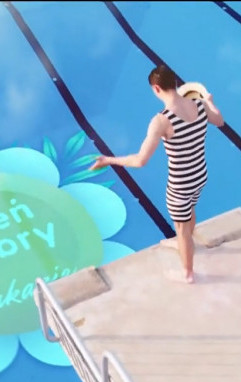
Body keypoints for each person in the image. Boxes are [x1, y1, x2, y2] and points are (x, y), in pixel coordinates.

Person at [90, 65, 224, 283]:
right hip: (200, 175)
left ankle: (188, 273)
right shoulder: (198, 105)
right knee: (189, 211)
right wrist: (209, 101)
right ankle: (185, 243)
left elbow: (140, 160)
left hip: (180, 186)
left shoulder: (162, 121)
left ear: (156, 89)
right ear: (176, 83)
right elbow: (219, 121)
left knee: (181, 227)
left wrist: (109, 160)